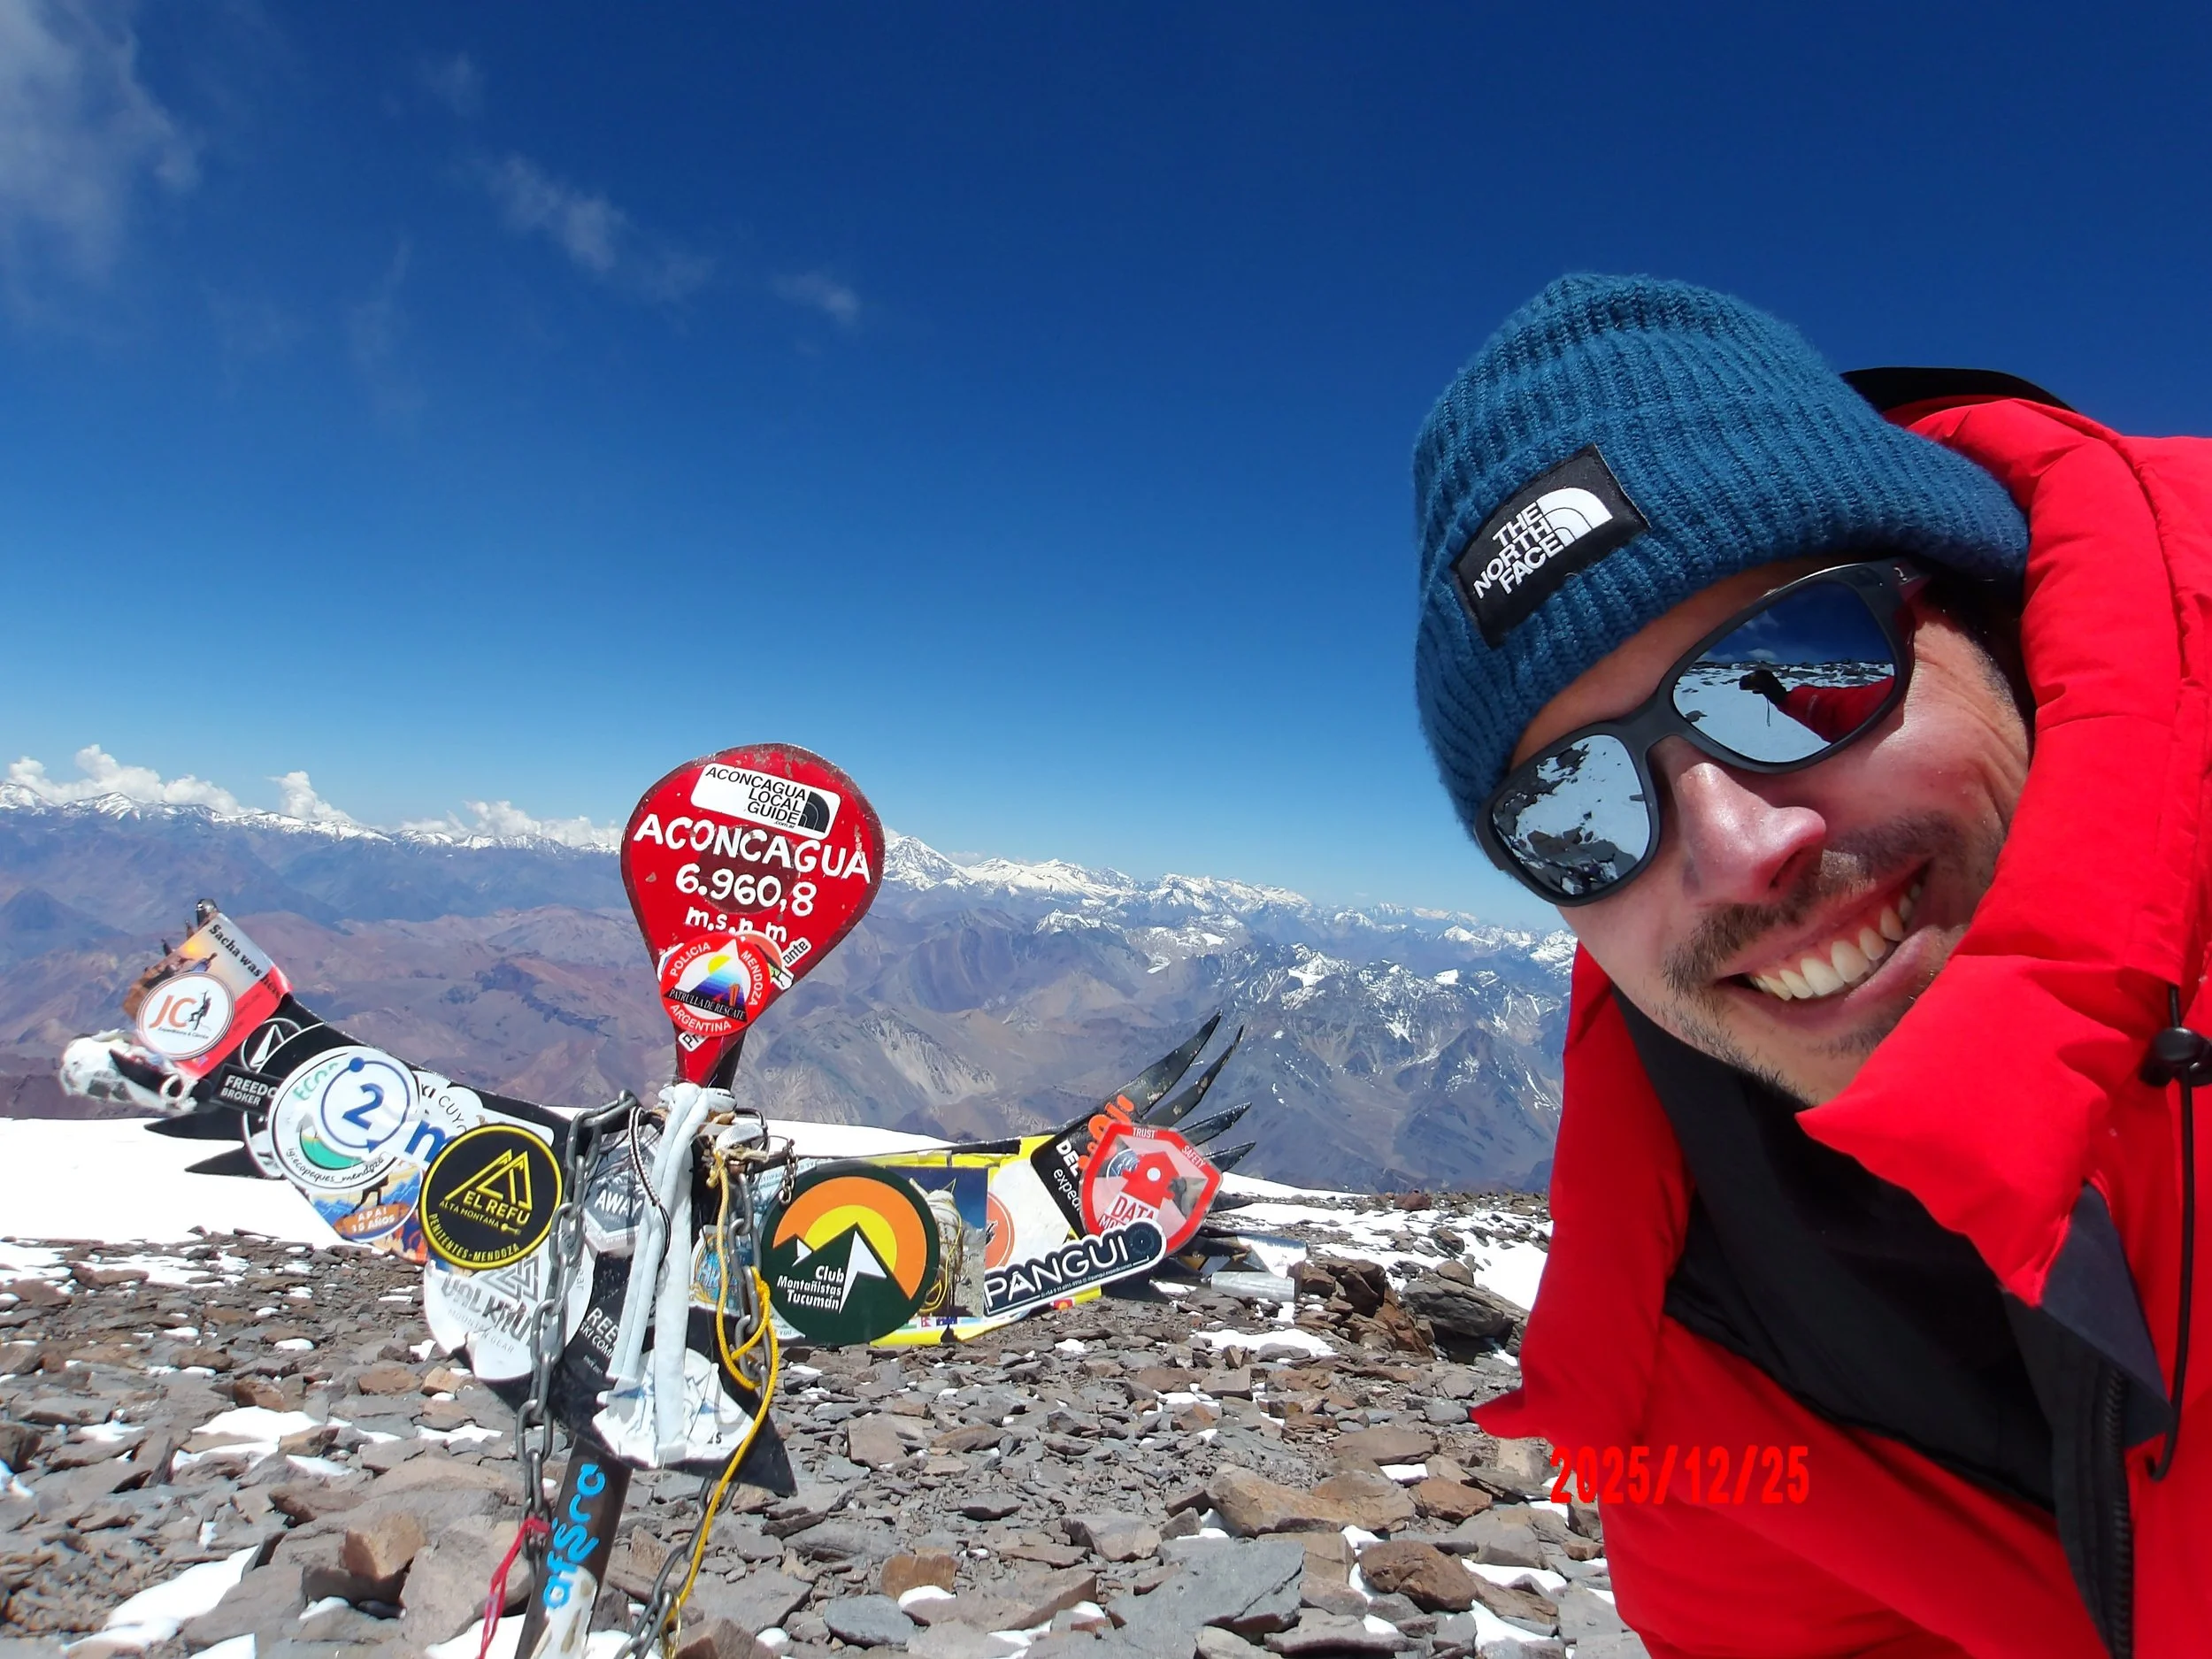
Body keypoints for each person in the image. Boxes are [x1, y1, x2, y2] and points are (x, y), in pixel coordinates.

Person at [1410, 276, 2210, 1658]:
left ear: (1992, 618)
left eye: (1796, 669)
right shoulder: (1695, 1329)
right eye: (1573, 810)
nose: (1735, 851)